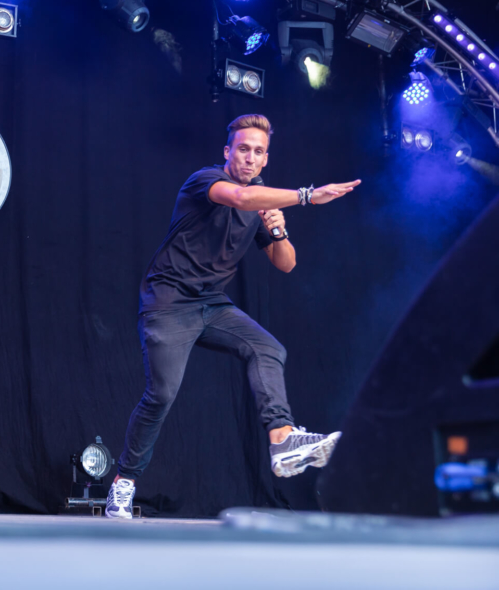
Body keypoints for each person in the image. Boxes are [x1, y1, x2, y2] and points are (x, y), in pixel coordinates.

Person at [105, 114, 361, 520]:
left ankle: (282, 438)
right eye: (243, 149)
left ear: (265, 159)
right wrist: (308, 196)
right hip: (168, 302)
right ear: (228, 151)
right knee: (162, 395)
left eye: (258, 152)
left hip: (212, 304)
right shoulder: (206, 181)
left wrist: (278, 230)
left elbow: (286, 264)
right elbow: (241, 198)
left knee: (268, 349)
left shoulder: (262, 201)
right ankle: (124, 482)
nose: (250, 157)